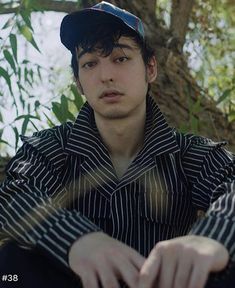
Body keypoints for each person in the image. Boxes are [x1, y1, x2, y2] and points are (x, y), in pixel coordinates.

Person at [0, 2, 234, 288]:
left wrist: (211, 238)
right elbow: (14, 194)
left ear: (150, 69)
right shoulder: (50, 147)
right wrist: (76, 239)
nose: (106, 75)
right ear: (79, 82)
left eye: (120, 58)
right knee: (12, 262)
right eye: (89, 64)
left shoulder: (190, 153)